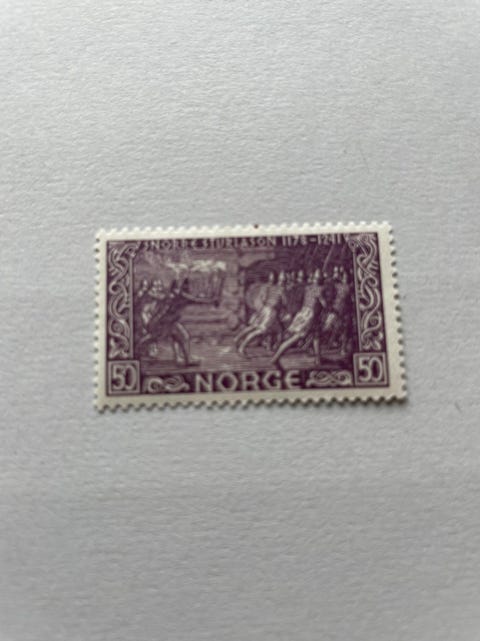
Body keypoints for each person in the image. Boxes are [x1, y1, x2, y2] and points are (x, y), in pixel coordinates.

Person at [271, 269, 322, 366]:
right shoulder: (317, 290)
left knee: (316, 336)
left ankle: (318, 359)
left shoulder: (308, 288)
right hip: (308, 316)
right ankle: (276, 357)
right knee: (295, 338)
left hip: (305, 314)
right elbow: (323, 303)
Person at [237, 271, 287, 357]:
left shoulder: (265, 287)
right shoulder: (280, 289)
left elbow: (263, 299)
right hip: (271, 312)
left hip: (264, 309)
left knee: (278, 330)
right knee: (261, 331)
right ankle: (242, 347)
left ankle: (271, 348)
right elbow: (284, 301)